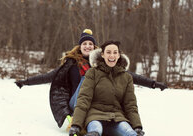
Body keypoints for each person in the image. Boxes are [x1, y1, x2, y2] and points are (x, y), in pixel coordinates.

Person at [15, 29, 167, 128]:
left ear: (95, 47)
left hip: (97, 103)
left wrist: (153, 84)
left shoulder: (101, 63)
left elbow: (129, 75)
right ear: (80, 46)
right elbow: (48, 76)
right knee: (86, 79)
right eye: (84, 44)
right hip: (78, 102)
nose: (87, 46)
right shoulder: (71, 64)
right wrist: (26, 82)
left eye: (91, 44)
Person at [69, 40, 173, 136]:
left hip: (116, 118)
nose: (111, 55)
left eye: (115, 52)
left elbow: (130, 104)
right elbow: (83, 99)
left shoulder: (126, 77)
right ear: (102, 55)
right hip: (95, 114)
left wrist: (137, 126)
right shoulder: (92, 74)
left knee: (128, 131)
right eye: (108, 52)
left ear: (119, 56)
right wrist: (76, 124)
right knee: (95, 128)